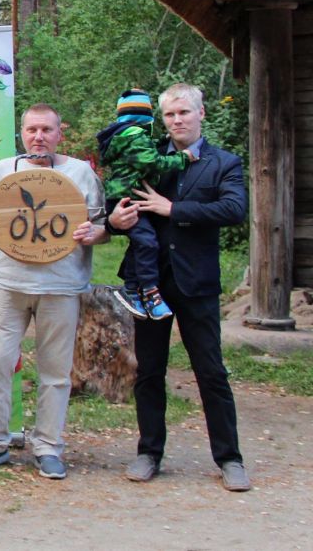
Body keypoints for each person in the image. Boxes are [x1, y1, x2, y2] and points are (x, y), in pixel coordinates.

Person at [108, 83, 251, 492]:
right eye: (169, 115)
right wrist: (115, 221)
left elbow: (234, 209)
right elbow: (119, 205)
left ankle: (229, 458)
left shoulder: (224, 163)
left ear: (201, 114)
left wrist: (174, 210)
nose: (176, 121)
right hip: (149, 282)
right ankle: (149, 452)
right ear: (161, 119)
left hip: (197, 284)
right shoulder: (147, 159)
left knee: (211, 372)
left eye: (184, 113)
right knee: (148, 371)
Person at [0, 103, 108, 480]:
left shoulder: (79, 173)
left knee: (56, 371)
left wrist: (96, 233)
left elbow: (100, 225)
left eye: (46, 129)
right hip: (8, 283)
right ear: (22, 133)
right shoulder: (4, 171)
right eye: (32, 130)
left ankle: (48, 447)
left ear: (60, 133)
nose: (38, 137)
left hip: (61, 285)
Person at [96, 89, 193, 320]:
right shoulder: (134, 136)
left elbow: (142, 153)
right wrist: (183, 158)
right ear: (146, 116)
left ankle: (132, 289)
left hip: (126, 197)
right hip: (128, 199)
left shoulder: (126, 136)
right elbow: (151, 161)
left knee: (141, 243)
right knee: (147, 243)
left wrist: (161, 142)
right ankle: (149, 291)